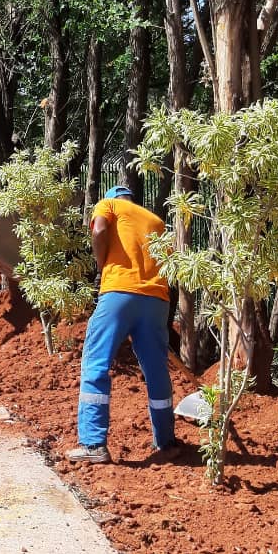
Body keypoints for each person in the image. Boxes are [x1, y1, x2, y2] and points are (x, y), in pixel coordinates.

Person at [66, 184, 175, 463]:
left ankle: (93, 445)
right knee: (156, 370)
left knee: (96, 362)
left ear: (114, 198)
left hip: (119, 294)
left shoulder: (108, 205)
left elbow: (99, 230)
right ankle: (166, 441)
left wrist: (102, 267)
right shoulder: (156, 221)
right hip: (157, 300)